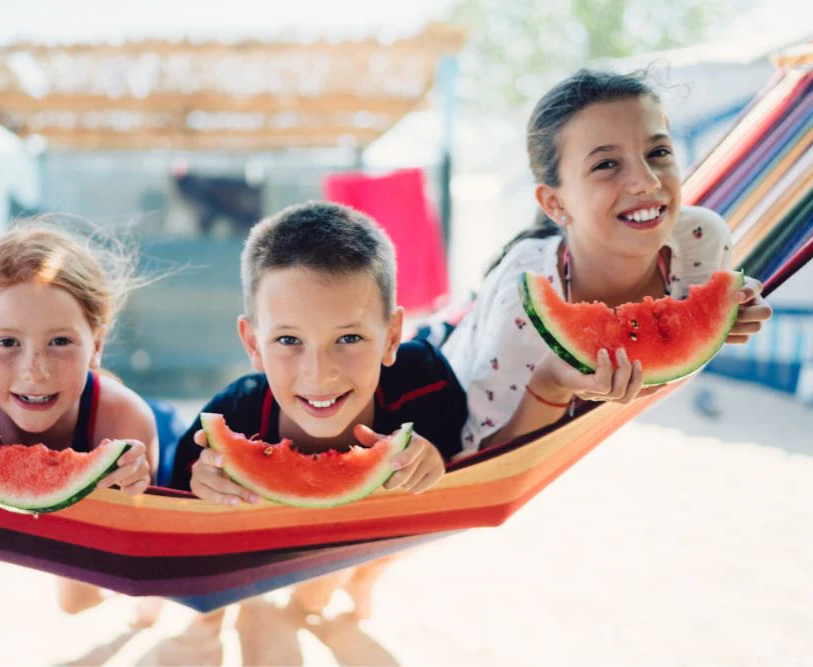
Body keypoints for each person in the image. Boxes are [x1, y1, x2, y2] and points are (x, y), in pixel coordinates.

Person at [160, 201, 467, 663]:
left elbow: (473, 460)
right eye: (288, 341)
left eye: (348, 338)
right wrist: (198, 487)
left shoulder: (426, 386)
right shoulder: (233, 416)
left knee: (330, 589)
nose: (318, 374)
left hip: (380, 537)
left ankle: (353, 584)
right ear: (252, 344)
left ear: (390, 337)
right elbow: (169, 516)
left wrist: (439, 456)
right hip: (269, 554)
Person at [441, 69, 773, 454]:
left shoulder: (703, 241)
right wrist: (551, 384)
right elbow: (477, 461)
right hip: (445, 367)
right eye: (606, 165)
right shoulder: (523, 305)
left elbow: (680, 348)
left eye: (658, 153)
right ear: (555, 203)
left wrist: (721, 315)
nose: (647, 181)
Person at [0, 222, 161, 624]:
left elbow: (142, 528)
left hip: (135, 426)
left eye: (60, 342)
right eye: (7, 343)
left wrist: (131, 488)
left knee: (81, 598)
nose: (35, 372)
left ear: (96, 345)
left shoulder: (127, 420)